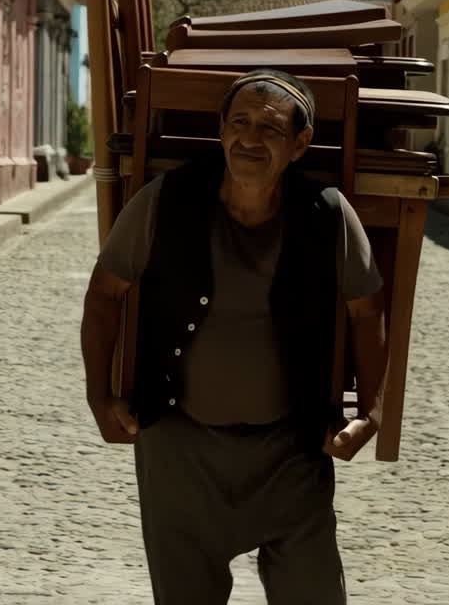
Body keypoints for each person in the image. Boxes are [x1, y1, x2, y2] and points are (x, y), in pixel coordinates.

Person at [80, 69, 387, 604]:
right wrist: (98, 398)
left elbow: (368, 311)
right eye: (238, 123)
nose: (249, 140)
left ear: (299, 145)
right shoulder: (166, 200)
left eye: (269, 129)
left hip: (291, 453)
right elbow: (105, 293)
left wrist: (375, 412)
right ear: (220, 131)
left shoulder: (328, 215)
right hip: (180, 451)